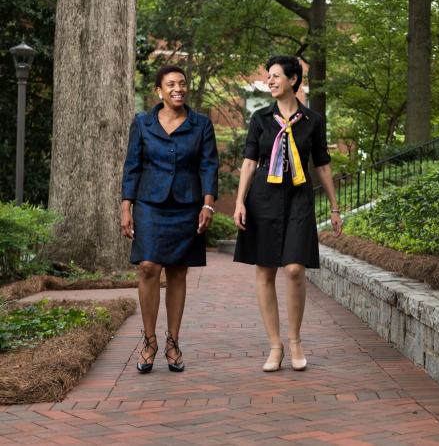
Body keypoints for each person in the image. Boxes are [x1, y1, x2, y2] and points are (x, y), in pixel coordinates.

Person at [233, 55, 343, 372]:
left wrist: (335, 208)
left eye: (276, 75)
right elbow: (249, 163)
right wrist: (240, 202)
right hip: (263, 197)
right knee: (265, 271)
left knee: (294, 268)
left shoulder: (313, 121)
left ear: (293, 80)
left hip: (298, 197)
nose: (270, 81)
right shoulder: (260, 119)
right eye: (269, 76)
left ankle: (295, 340)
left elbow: (322, 164)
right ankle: (275, 346)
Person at [120, 65, 219, 373]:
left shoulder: (200, 124)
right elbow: (132, 166)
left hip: (188, 205)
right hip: (150, 203)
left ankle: (173, 342)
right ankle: (149, 341)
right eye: (171, 84)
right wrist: (126, 207)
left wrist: (208, 205)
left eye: (182, 83)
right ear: (159, 91)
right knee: (148, 267)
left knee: (177, 272)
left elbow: (208, 166)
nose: (178, 88)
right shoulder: (142, 123)